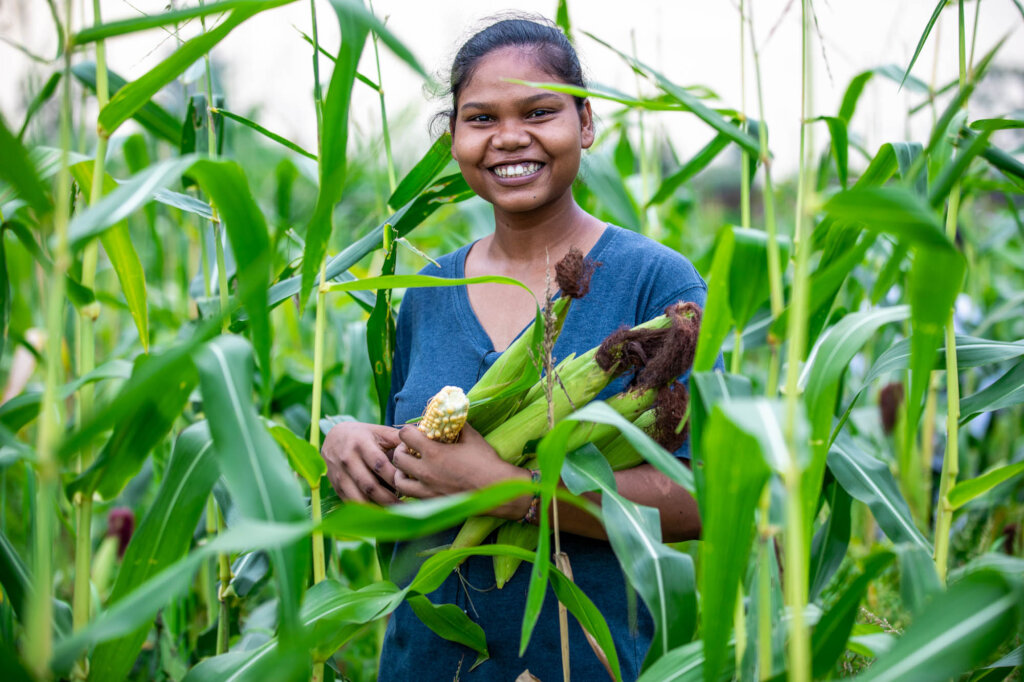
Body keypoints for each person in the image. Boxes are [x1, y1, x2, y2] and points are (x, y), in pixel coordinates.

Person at [321, 16, 707, 681]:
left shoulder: (656, 283)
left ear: (585, 124)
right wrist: (351, 442)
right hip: (428, 660)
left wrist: (510, 491)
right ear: (453, 139)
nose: (508, 138)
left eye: (538, 111)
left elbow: (698, 499)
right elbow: (420, 462)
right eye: (480, 118)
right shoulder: (426, 290)